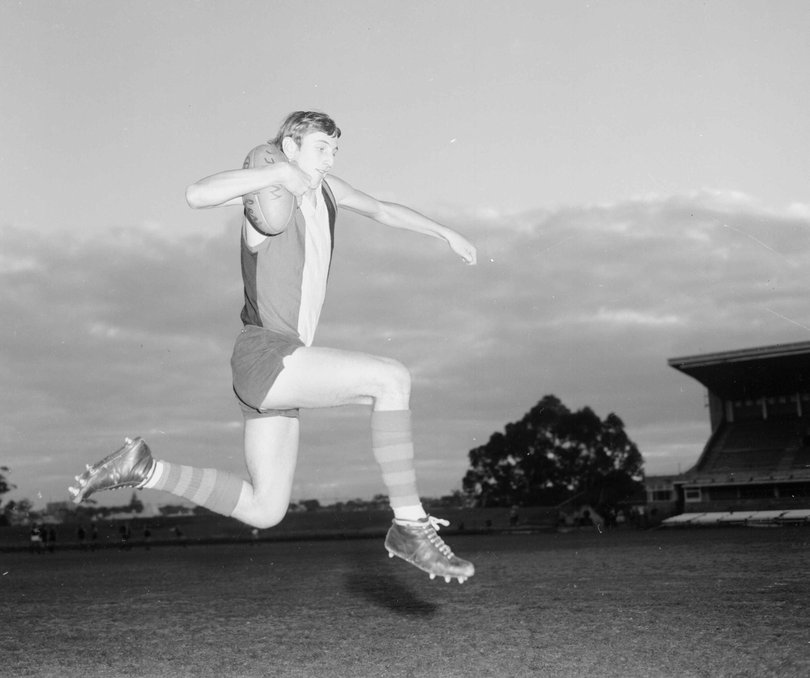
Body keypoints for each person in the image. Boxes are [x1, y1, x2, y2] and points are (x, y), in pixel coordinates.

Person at [69, 111, 476, 583]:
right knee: (391, 378)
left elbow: (383, 209)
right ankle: (409, 524)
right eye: (320, 148)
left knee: (265, 510)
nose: (330, 158)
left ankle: (144, 470)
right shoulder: (266, 209)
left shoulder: (327, 192)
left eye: (335, 150)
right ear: (289, 147)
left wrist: (446, 232)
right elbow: (195, 194)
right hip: (266, 354)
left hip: (280, 367)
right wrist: (276, 174)